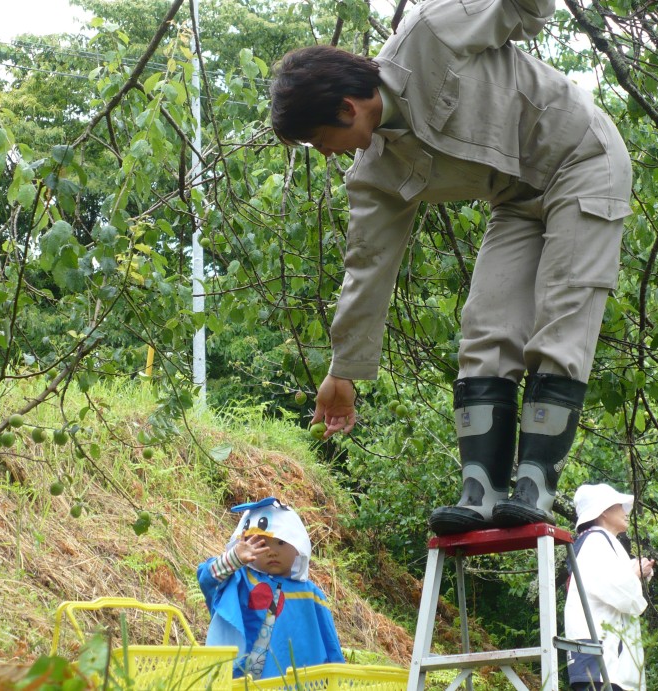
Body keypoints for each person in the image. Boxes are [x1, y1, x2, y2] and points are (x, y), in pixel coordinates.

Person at [270, 0, 632, 534]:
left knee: (561, 324)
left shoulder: (430, 34)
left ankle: (534, 485)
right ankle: (480, 490)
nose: (323, 153)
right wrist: (342, 371)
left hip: (582, 160)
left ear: (347, 107)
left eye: (317, 139)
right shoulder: (376, 174)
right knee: (485, 330)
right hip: (518, 197)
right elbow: (367, 269)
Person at [197, 497, 344, 679]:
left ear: (298, 544)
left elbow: (330, 642)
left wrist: (340, 678)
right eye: (262, 544)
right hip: (238, 679)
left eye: (281, 542)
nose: (272, 551)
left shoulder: (311, 595)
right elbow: (207, 579)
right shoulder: (241, 580)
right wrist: (234, 558)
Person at [563, 483, 653, 691]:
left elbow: (610, 580)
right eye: (619, 505)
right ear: (603, 511)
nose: (624, 511)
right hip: (597, 653)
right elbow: (620, 591)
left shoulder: (600, 541)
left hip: (600, 653)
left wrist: (635, 570)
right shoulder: (595, 541)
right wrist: (636, 573)